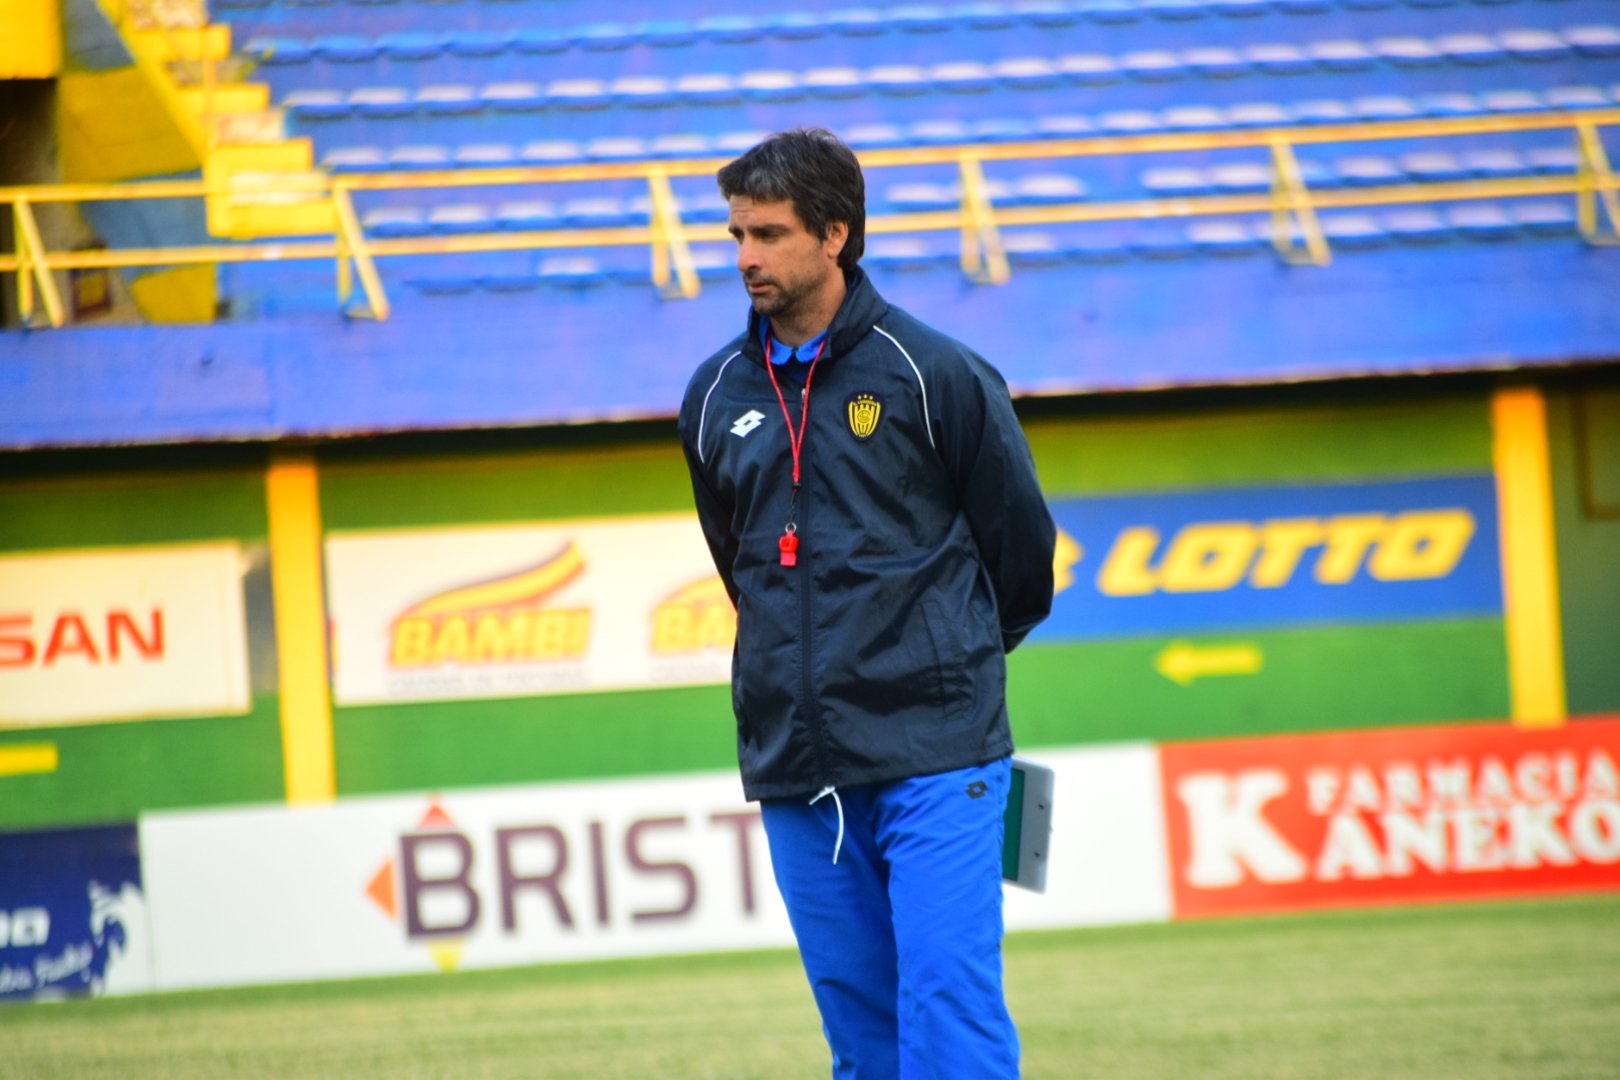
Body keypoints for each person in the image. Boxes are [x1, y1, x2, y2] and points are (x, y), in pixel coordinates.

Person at [677, 128, 1056, 1080]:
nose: (746, 257)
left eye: (767, 234)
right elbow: (747, 574)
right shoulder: (715, 396)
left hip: (938, 754)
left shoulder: (936, 374)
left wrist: (942, 661)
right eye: (735, 235)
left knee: (948, 1007)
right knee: (863, 1040)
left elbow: (1024, 558)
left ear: (835, 234)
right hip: (798, 766)